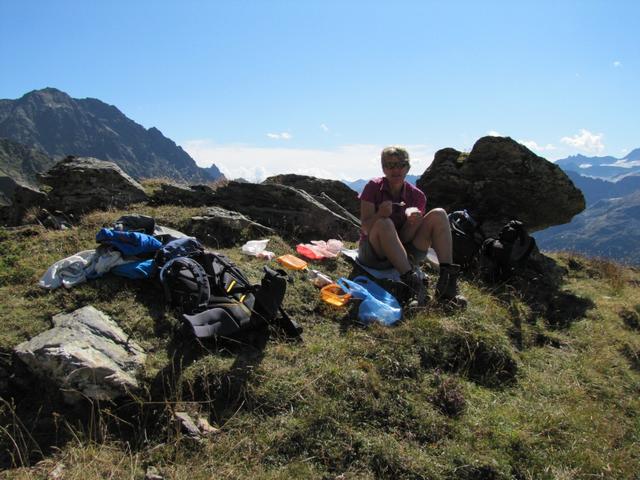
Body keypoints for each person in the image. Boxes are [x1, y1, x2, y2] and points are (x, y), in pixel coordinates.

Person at [357, 146, 466, 307]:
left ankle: (447, 285)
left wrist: (411, 224)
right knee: (384, 223)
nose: (396, 170)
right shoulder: (373, 187)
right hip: (374, 253)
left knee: (439, 214)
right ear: (383, 168)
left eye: (400, 164)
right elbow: (365, 228)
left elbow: (405, 239)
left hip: (403, 253)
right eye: (390, 165)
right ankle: (412, 285)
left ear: (407, 167)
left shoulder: (417, 196)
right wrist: (380, 214)